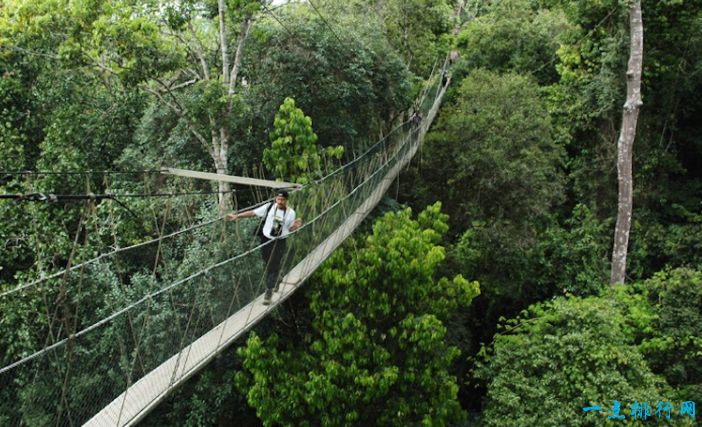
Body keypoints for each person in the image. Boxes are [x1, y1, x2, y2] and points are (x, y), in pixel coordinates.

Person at [226, 190, 302, 304]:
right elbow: (253, 213)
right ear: (276, 199)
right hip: (266, 240)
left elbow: (290, 229)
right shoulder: (270, 207)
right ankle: (277, 277)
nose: (280, 202)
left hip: (280, 241)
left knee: (273, 265)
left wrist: (296, 226)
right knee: (267, 263)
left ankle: (269, 292)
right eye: (278, 199)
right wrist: (237, 216)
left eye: (282, 200)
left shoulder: (291, 213)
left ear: (286, 200)